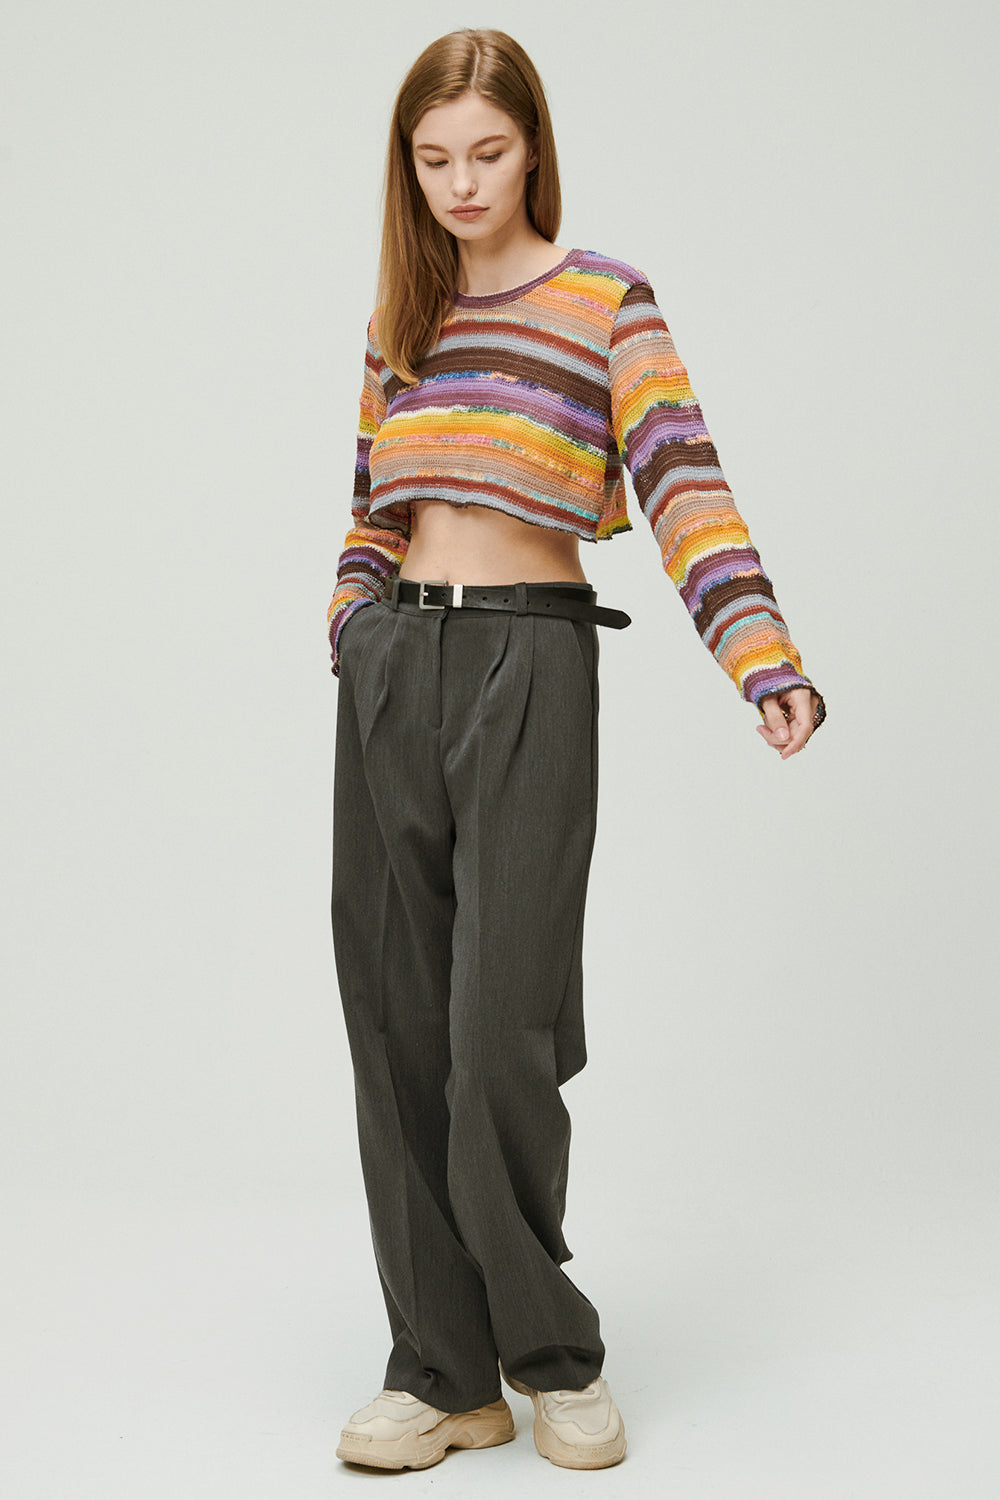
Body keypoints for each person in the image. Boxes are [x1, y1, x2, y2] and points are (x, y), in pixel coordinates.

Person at [326, 27, 824, 1474]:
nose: (462, 183)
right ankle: (444, 1372)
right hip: (395, 667)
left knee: (500, 1029)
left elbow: (682, 483)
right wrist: (352, 620)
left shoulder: (607, 301)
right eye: (434, 159)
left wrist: (762, 655)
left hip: (533, 657)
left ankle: (550, 1355)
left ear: (532, 146)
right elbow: (371, 502)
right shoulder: (402, 322)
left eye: (487, 151)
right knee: (396, 1028)